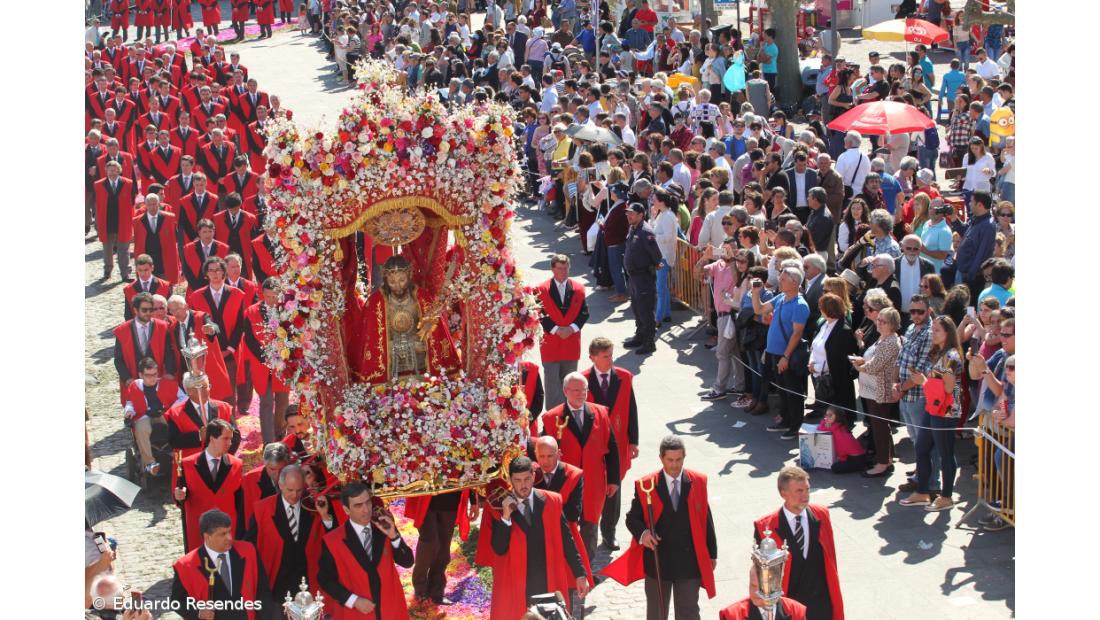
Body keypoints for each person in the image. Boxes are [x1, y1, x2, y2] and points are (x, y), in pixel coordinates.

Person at [605, 435, 718, 620]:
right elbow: (632, 518)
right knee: (657, 614)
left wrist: (712, 554)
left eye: (679, 460)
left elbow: (706, 519)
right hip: (658, 560)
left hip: (688, 561)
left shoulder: (698, 481)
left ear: (684, 457)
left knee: (689, 612)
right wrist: (644, 534)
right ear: (661, 458)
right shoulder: (646, 485)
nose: (674, 465)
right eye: (670, 460)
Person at [476, 456, 588, 618]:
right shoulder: (497, 505)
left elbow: (567, 541)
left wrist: (580, 574)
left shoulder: (552, 500)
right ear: (510, 480)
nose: (523, 485)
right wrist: (506, 517)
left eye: (527, 479)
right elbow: (499, 549)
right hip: (516, 583)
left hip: (547, 578)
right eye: (518, 480)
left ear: (534, 476)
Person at [539, 372, 621, 560]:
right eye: (576, 390)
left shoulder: (600, 413)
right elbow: (542, 448)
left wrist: (614, 480)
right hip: (566, 483)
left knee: (590, 525)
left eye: (584, 389)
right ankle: (567, 565)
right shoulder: (552, 417)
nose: (581, 394)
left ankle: (587, 567)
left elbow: (612, 447)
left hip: (594, 482)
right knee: (566, 525)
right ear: (565, 391)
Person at [753, 466, 844, 620]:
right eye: (799, 491)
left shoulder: (821, 514)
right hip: (790, 607)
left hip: (822, 604)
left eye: (807, 489)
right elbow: (762, 577)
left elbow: (831, 558)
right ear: (783, 493)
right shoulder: (765, 527)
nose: (805, 496)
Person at [317, 481, 413, 618]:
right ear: (346, 510)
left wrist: (394, 536)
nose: (366, 510)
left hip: (391, 611)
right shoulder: (333, 540)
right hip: (357, 614)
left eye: (368, 503)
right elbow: (325, 579)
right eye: (358, 505)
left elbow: (407, 561)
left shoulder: (384, 527)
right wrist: (353, 600)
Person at [245, 464, 338, 602]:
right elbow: (249, 547)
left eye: (299, 490)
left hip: (310, 586)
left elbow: (333, 540)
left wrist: (324, 516)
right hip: (276, 587)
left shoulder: (314, 505)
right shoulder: (262, 509)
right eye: (290, 490)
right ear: (280, 485)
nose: (294, 495)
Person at [900, 315, 964, 512]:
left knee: (945, 452)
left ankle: (946, 496)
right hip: (932, 407)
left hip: (946, 411)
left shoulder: (951, 356)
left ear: (947, 333)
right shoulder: (936, 352)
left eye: (937, 330)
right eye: (932, 329)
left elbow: (948, 389)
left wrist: (923, 382)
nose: (932, 333)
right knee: (921, 447)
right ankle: (922, 491)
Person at [583, 336, 640, 550]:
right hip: (594, 445)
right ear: (593, 357)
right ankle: (589, 529)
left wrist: (634, 441)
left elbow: (632, 410)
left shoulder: (624, 377)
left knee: (614, 485)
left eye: (611, 355)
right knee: (593, 487)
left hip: (619, 441)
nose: (610, 360)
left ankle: (609, 531)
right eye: (606, 356)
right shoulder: (582, 380)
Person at [170, 508, 272, 620]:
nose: (229, 538)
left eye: (229, 531)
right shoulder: (185, 566)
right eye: (222, 534)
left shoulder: (248, 551)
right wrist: (199, 613)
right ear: (207, 536)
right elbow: (177, 601)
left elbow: (263, 591)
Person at [751, 265, 810, 440]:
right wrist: (755, 293)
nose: (779, 281)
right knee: (782, 391)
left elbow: (797, 333)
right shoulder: (781, 298)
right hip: (774, 353)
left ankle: (795, 426)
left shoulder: (800, 305)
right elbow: (759, 309)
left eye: (783, 279)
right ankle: (785, 420)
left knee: (793, 392)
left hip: (786, 355)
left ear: (795, 283)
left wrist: (786, 356)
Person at [174, 419, 246, 551]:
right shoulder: (187, 464)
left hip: (227, 533)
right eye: (225, 439)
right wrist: (179, 496)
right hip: (199, 533)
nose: (230, 443)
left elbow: (241, 504)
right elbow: (181, 496)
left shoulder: (237, 465)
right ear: (212, 439)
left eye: (231, 439)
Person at [189, 257, 248, 412]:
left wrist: (229, 349)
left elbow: (240, 325)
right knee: (209, 394)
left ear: (224, 272)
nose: (215, 274)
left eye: (218, 270)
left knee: (229, 394)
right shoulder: (196, 296)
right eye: (211, 270)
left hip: (230, 352)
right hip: (206, 355)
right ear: (206, 274)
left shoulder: (237, 294)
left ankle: (230, 423)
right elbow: (193, 326)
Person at [697, 237, 749, 401]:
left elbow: (737, 278)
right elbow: (697, 273)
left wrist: (732, 258)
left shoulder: (739, 265)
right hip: (722, 316)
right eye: (724, 248)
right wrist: (705, 257)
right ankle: (739, 386)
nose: (726, 251)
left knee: (722, 353)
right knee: (734, 352)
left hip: (730, 315)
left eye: (730, 248)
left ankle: (719, 388)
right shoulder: (718, 264)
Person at [237, 278, 290, 442]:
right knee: (266, 402)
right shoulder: (251, 311)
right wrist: (265, 357)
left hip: (283, 364)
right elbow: (249, 339)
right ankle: (268, 441)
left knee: (283, 401)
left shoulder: (288, 310)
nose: (271, 300)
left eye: (275, 296)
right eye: (268, 296)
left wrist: (283, 354)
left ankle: (280, 433)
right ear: (262, 294)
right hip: (261, 364)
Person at [852, 307, 902, 477]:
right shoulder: (883, 338)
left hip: (881, 391)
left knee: (880, 428)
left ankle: (882, 464)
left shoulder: (891, 342)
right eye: (878, 320)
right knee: (880, 426)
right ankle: (887, 458)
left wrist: (860, 366)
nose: (878, 323)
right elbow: (873, 360)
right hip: (872, 389)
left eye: (883, 321)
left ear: (893, 324)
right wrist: (862, 361)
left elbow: (875, 366)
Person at [536, 254, 590, 410]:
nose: (563, 271)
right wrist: (556, 330)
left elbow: (584, 313)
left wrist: (571, 328)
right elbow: (538, 313)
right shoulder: (541, 290)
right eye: (559, 268)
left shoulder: (579, 289)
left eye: (566, 268)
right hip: (550, 344)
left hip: (571, 343)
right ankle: (553, 417)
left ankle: (570, 414)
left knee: (570, 383)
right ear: (552, 269)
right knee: (552, 383)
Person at [123, 358, 186, 475]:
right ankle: (150, 464)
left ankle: (180, 456)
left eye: (155, 374)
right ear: (141, 375)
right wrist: (129, 411)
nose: (152, 378)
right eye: (148, 375)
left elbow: (184, 398)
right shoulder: (134, 386)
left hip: (164, 414)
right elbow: (130, 402)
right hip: (143, 416)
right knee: (141, 428)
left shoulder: (168, 385)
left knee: (177, 425)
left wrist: (173, 408)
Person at [114, 292, 176, 404]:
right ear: (135, 310)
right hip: (134, 381)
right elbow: (118, 359)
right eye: (144, 310)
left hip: (158, 379)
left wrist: (170, 373)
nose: (148, 313)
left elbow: (169, 353)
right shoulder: (122, 331)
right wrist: (127, 379)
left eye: (150, 310)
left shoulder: (162, 327)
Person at [808, 293, 858, 417]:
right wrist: (812, 363)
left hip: (836, 382)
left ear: (828, 309)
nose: (819, 309)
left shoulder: (843, 330)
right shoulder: (825, 324)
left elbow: (838, 360)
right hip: (820, 377)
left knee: (837, 416)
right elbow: (815, 345)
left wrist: (817, 367)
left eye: (821, 307)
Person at [623, 202, 664, 355]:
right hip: (634, 277)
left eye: (632, 213)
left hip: (643, 277)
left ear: (641, 215)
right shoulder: (633, 228)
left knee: (645, 311)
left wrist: (652, 266)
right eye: (628, 213)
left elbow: (656, 255)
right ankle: (640, 336)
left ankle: (649, 342)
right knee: (637, 308)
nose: (629, 216)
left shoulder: (645, 232)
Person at [94, 160, 137, 280]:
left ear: (119, 171)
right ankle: (107, 271)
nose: (112, 173)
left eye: (115, 170)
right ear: (106, 171)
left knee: (124, 249)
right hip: (106, 222)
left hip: (123, 222)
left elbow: (132, 202)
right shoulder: (98, 184)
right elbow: (97, 205)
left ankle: (125, 273)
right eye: (110, 170)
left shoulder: (128, 183)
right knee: (107, 250)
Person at [720, 565, 808, 619]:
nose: (756, 592)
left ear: (776, 585)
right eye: (753, 585)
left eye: (761, 588)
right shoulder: (732, 615)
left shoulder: (796, 611)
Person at [131, 194, 180, 286]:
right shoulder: (137, 221)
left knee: (167, 286)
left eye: (154, 204)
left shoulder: (169, 218)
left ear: (159, 204)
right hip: (147, 258)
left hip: (164, 257)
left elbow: (176, 238)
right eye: (149, 204)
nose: (152, 207)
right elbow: (137, 243)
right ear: (146, 205)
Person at [240, 442, 289, 527]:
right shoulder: (250, 480)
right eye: (272, 469)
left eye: (282, 469)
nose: (277, 474)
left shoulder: (296, 475)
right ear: (265, 464)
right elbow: (243, 516)